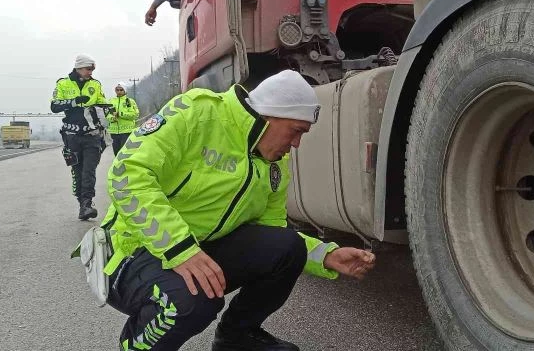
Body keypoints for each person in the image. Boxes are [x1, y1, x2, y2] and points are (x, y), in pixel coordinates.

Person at [99, 70, 375, 350]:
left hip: (194, 249)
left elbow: (270, 237)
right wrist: (181, 250)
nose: (296, 144)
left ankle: (236, 339)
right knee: (191, 300)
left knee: (286, 247)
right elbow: (127, 174)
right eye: (296, 131)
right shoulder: (198, 112)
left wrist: (326, 255)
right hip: (130, 251)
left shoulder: (274, 166)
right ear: (269, 115)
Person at [50, 54, 108, 220]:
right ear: (79, 68)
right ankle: (81, 203)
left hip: (92, 135)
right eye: (88, 69)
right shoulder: (62, 83)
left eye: (93, 70)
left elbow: (102, 104)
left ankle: (87, 204)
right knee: (77, 170)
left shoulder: (95, 84)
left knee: (89, 170)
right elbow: (54, 106)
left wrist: (106, 113)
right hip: (72, 136)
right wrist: (74, 102)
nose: (91, 72)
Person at [107, 81, 140, 155]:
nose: (119, 92)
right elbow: (107, 114)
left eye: (121, 90)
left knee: (125, 154)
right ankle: (118, 166)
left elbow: (135, 115)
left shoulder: (129, 101)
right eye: (117, 90)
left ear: (125, 90)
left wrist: (120, 114)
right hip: (114, 132)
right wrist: (112, 118)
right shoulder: (111, 101)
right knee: (117, 154)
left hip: (126, 131)